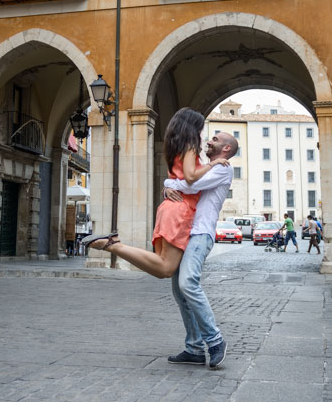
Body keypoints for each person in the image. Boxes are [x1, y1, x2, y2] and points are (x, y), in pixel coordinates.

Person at [83, 108, 229, 280]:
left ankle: (114, 245)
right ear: (192, 128)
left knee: (161, 266)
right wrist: (212, 164)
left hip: (169, 208)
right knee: (166, 268)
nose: (201, 134)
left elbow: (180, 178)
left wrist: (167, 186)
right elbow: (191, 178)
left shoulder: (175, 148)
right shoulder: (190, 147)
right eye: (199, 128)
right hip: (180, 210)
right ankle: (114, 245)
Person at [159, 132, 237, 369]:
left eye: (215, 139)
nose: (209, 141)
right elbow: (187, 182)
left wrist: (167, 184)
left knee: (188, 283)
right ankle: (194, 348)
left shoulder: (223, 168)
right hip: (185, 231)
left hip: (200, 234)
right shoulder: (206, 166)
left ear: (226, 149)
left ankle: (215, 341)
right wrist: (168, 189)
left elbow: (192, 185)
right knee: (179, 292)